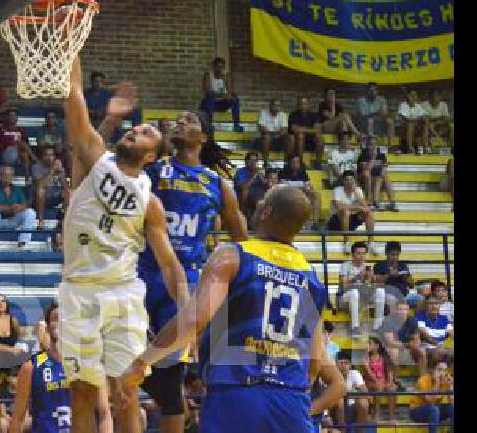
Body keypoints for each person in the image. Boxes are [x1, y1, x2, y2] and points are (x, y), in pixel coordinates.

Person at [119, 185, 345, 432]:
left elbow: (194, 319)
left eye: (261, 203)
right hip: (290, 401)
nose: (257, 206)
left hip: (237, 393)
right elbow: (313, 366)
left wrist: (142, 362)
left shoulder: (233, 255)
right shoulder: (312, 279)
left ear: (266, 212)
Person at [60, 57, 190, 433]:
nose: (138, 131)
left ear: (151, 156)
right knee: (82, 392)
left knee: (125, 391)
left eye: (147, 133)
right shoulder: (96, 157)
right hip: (79, 291)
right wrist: (72, 46)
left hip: (123, 294)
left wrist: (187, 314)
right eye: (137, 128)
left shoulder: (150, 202)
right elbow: (74, 96)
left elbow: (168, 264)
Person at [119, 110, 247, 433]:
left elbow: (243, 239)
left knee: (170, 378)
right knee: (122, 365)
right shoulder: (153, 169)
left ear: (203, 137)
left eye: (189, 121)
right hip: (142, 272)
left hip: (184, 281)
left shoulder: (218, 184)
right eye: (178, 119)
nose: (180, 122)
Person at [9, 303, 70, 433]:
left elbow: (104, 412)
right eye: (56, 318)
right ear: (47, 327)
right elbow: (17, 419)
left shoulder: (86, 365)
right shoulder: (31, 366)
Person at [337, 241, 386, 337]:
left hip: (362, 299)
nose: (361, 256)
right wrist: (356, 278)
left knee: (380, 292)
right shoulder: (345, 266)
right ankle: (355, 327)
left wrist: (371, 280)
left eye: (364, 253)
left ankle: (378, 326)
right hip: (345, 300)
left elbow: (373, 288)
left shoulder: (367, 268)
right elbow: (343, 287)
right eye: (358, 253)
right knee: (354, 293)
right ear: (352, 254)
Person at [0, 166, 38, 248]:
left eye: (9, 175)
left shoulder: (17, 189)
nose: (7, 177)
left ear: (12, 177)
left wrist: (19, 207)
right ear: (0, 176)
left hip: (12, 220)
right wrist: (9, 208)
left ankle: (23, 242)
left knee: (31, 212)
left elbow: (25, 205)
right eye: (4, 175)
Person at [327, 171, 375, 250]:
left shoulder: (358, 190)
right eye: (347, 180)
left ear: (354, 181)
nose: (349, 182)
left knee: (368, 213)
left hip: (350, 220)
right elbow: (339, 207)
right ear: (343, 181)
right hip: (336, 221)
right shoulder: (337, 190)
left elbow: (366, 207)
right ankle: (346, 242)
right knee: (346, 211)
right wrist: (358, 207)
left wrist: (356, 193)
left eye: (351, 180)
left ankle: (371, 243)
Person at [380, 300, 427, 374]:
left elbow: (417, 338)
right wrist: (407, 345)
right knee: (394, 352)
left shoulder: (412, 320)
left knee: (422, 351)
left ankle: (423, 376)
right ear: (395, 310)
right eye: (400, 309)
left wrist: (416, 344)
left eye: (405, 309)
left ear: (408, 310)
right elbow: (390, 342)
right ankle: (395, 378)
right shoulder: (388, 321)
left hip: (406, 344)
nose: (403, 311)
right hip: (390, 345)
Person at [408, 359, 454, 433]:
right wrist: (437, 383)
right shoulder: (422, 380)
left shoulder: (445, 381)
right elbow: (430, 401)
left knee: (451, 409)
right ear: (432, 370)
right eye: (439, 370)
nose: (442, 373)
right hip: (417, 411)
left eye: (445, 370)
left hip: (434, 412)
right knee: (434, 409)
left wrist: (451, 385)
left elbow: (452, 402)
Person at [331, 350, 370, 433]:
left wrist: (348, 396)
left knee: (364, 403)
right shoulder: (331, 374)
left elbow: (366, 393)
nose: (344, 366)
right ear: (336, 364)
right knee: (341, 402)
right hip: (334, 406)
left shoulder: (355, 373)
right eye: (341, 363)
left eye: (346, 363)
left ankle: (360, 432)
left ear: (350, 364)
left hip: (352, 405)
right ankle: (342, 431)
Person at [31, 146, 70, 230]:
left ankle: (61, 221)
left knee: (68, 193)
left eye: (51, 155)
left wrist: (60, 173)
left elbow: (65, 187)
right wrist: (52, 170)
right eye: (46, 155)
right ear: (42, 156)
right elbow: (40, 184)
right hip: (40, 198)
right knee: (40, 191)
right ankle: (41, 221)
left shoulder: (59, 167)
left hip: (54, 196)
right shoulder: (36, 167)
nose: (49, 158)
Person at [199, 57, 243, 132]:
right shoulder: (208, 76)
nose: (219, 69)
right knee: (210, 99)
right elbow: (208, 93)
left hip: (221, 104)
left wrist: (224, 78)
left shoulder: (227, 76)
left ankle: (236, 125)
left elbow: (230, 92)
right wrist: (223, 95)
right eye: (218, 67)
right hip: (208, 104)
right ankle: (209, 125)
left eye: (222, 67)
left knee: (235, 98)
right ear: (214, 67)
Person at [279, 154, 322, 229]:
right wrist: (301, 186)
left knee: (316, 195)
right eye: (293, 162)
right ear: (289, 163)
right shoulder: (282, 172)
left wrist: (305, 188)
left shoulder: (302, 172)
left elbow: (308, 185)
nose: (296, 164)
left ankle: (315, 223)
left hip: (302, 194)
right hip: (288, 195)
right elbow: (284, 186)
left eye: (297, 162)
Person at [357, 135, 398, 211]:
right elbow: (366, 169)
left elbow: (383, 169)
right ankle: (372, 201)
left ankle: (392, 203)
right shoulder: (362, 156)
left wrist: (381, 171)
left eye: (375, 144)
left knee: (383, 177)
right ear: (367, 146)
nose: (373, 146)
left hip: (377, 179)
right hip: (364, 180)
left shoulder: (382, 155)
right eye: (371, 144)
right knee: (367, 174)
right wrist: (373, 158)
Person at [364, 336, 397, 421]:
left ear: (377, 346)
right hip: (370, 382)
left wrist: (390, 382)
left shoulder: (384, 357)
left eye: (370, 343)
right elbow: (369, 373)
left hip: (383, 381)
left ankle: (392, 416)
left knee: (392, 388)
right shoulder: (366, 358)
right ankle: (376, 414)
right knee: (378, 387)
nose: (368, 345)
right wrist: (378, 381)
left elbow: (389, 371)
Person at [0, 109, 35, 182]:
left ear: (17, 118)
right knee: (21, 143)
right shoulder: (1, 129)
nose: (12, 117)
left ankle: (27, 175)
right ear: (7, 117)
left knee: (24, 153)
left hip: (18, 156)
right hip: (6, 154)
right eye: (10, 115)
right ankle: (33, 157)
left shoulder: (21, 130)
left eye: (14, 115)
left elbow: (26, 144)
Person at [356, 83, 396, 151]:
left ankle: (390, 146)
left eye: (374, 90)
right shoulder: (361, 100)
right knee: (370, 120)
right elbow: (363, 115)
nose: (372, 92)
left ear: (377, 91)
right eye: (370, 90)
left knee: (390, 121)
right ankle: (369, 146)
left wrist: (375, 116)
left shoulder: (382, 100)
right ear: (367, 91)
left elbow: (385, 113)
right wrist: (377, 114)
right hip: (365, 123)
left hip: (379, 123)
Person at [288, 96, 324, 167]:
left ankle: (318, 163)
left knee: (320, 138)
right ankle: (300, 162)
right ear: (298, 105)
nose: (303, 105)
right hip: (298, 142)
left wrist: (302, 129)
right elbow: (294, 129)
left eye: (305, 103)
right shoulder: (293, 115)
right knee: (301, 136)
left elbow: (317, 130)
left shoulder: (314, 115)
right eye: (301, 103)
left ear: (308, 105)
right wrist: (310, 130)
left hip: (311, 141)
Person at [416, 298, 453, 366]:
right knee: (439, 352)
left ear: (440, 306)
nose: (434, 306)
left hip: (442, 348)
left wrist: (442, 347)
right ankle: (432, 374)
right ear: (426, 306)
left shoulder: (444, 318)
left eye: (436, 304)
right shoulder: (420, 316)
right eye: (431, 304)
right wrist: (438, 345)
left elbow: (451, 332)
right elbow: (424, 335)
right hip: (427, 347)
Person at [256, 98, 288, 164]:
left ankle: (286, 162)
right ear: (270, 105)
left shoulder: (283, 115)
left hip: (279, 138)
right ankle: (265, 162)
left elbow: (284, 130)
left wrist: (276, 134)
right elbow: (262, 128)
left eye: (278, 105)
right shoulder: (263, 113)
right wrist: (274, 133)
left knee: (290, 138)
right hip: (265, 138)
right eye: (274, 105)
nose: (276, 107)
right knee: (267, 137)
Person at [398, 89, 430, 154]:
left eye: (414, 95)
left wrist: (422, 118)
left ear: (416, 97)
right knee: (410, 124)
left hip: (416, 129)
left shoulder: (418, 106)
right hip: (405, 128)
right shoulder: (403, 105)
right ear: (407, 96)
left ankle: (426, 147)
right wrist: (419, 118)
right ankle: (410, 148)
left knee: (425, 125)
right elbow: (407, 119)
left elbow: (425, 116)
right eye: (411, 95)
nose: (413, 97)